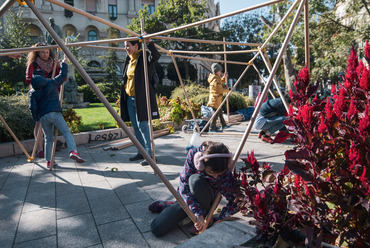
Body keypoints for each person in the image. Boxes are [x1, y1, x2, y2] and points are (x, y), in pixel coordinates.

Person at [149, 141, 241, 237]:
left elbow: (236, 200)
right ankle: (170, 205)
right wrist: (198, 213)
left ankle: (207, 216)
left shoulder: (225, 167)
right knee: (157, 228)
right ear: (200, 164)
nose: (216, 177)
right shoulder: (194, 156)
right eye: (211, 173)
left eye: (219, 174)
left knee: (197, 184)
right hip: (189, 195)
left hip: (209, 199)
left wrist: (220, 219)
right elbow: (183, 186)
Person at [30, 55, 84, 168]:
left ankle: (49, 161)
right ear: (43, 77)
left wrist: (36, 118)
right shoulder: (51, 83)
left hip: (43, 117)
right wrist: (64, 63)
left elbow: (33, 107)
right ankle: (73, 151)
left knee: (48, 139)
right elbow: (63, 75)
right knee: (66, 132)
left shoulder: (33, 92)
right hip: (55, 113)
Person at [120, 37, 161, 166]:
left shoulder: (144, 57)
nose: (126, 48)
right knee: (136, 127)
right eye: (125, 46)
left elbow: (156, 56)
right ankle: (141, 152)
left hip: (141, 98)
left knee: (143, 125)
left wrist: (149, 43)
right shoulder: (129, 60)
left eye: (128, 46)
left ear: (136, 46)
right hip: (129, 99)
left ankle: (150, 155)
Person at [26, 42, 60, 158]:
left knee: (51, 119)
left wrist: (60, 68)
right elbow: (29, 80)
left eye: (47, 52)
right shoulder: (34, 65)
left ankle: (49, 145)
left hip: (51, 96)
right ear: (37, 52)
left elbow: (61, 79)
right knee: (39, 122)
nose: (45, 54)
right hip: (39, 96)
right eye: (42, 52)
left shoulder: (54, 64)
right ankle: (39, 148)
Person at [207, 63, 230, 132]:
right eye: (220, 71)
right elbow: (220, 89)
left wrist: (224, 77)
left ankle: (224, 125)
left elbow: (222, 83)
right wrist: (227, 90)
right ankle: (211, 128)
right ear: (216, 71)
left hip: (217, 100)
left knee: (220, 113)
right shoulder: (215, 80)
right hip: (215, 100)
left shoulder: (217, 78)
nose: (221, 72)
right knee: (216, 114)